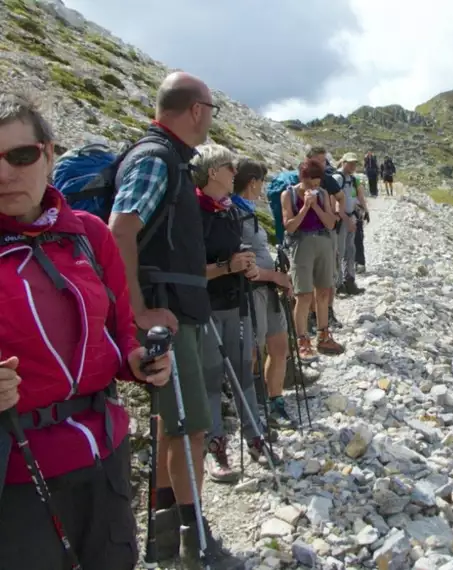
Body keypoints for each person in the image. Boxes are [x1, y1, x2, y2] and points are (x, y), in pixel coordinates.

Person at [0, 92, 172, 569]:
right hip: (16, 473)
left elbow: (120, 337)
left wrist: (141, 363)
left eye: (19, 155)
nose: (4, 173)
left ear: (49, 153)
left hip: (104, 455)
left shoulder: (90, 235)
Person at [109, 73, 243, 568]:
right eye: (210, 106)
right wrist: (136, 309)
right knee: (190, 428)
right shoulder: (156, 158)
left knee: (178, 424)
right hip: (167, 314)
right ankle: (196, 540)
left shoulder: (169, 159)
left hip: (176, 310)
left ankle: (171, 538)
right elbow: (120, 229)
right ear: (195, 110)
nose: (211, 115)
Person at [191, 144, 280, 484]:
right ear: (213, 172)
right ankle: (215, 448)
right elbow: (190, 270)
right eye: (230, 167)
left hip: (236, 302)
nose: (235, 174)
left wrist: (241, 263)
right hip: (208, 308)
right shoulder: (193, 212)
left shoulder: (227, 209)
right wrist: (228, 266)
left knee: (244, 372)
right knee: (212, 378)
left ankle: (254, 436)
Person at [230, 157, 298, 431]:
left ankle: (275, 401)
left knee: (279, 347)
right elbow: (247, 266)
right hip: (253, 292)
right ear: (252, 182)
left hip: (267, 291)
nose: (262, 188)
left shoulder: (246, 210)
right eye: (260, 182)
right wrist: (277, 277)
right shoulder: (234, 213)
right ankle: (251, 411)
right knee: (254, 352)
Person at [282, 159, 344, 362]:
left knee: (324, 291)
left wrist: (316, 206)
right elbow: (289, 226)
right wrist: (304, 208)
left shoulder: (324, 194)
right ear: (303, 179)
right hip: (301, 245)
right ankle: (302, 340)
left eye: (317, 184)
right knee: (303, 295)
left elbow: (330, 223)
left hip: (323, 242)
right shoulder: (288, 195)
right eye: (311, 184)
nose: (314, 188)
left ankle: (323, 335)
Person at [333, 153, 368, 295]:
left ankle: (350, 281)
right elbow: (335, 204)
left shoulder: (352, 179)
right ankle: (339, 285)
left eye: (355, 163)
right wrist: (347, 220)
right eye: (351, 163)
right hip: (341, 220)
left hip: (351, 217)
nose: (353, 166)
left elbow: (354, 198)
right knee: (340, 252)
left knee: (350, 250)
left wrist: (362, 210)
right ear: (343, 162)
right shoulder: (337, 179)